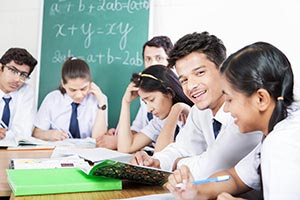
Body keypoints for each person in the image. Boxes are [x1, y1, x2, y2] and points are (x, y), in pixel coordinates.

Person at [166, 42, 300, 200]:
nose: (227, 109)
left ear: (261, 99)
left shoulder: (282, 142)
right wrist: (195, 190)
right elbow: (235, 178)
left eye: (229, 99)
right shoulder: (274, 132)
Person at [131, 32, 262, 180]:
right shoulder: (200, 110)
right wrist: (156, 162)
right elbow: (182, 147)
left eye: (199, 73)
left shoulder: (244, 113)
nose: (191, 86)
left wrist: (175, 164)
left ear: (224, 69)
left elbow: (210, 168)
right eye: (184, 79)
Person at [96, 36, 173, 149]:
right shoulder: (150, 104)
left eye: (159, 58)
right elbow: (136, 130)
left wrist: (120, 140)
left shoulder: (180, 105)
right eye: (148, 59)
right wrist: (120, 135)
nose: (153, 64)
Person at [117, 64, 193, 153]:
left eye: (151, 100)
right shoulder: (160, 121)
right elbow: (125, 148)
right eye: (145, 103)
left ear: (169, 93)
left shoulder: (195, 115)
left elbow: (160, 156)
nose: (149, 109)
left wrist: (177, 109)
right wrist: (126, 102)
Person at [33, 57, 108, 141]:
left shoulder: (98, 99)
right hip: (58, 150)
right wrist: (50, 134)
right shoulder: (52, 99)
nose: (79, 95)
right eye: (73, 90)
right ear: (63, 84)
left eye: (83, 89)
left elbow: (99, 139)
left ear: (90, 83)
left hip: (88, 152)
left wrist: (102, 102)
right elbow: (36, 132)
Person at [0, 48, 37, 139]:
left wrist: (3, 136)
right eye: (13, 71)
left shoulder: (26, 91)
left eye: (23, 75)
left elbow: (23, 132)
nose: (17, 79)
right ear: (1, 68)